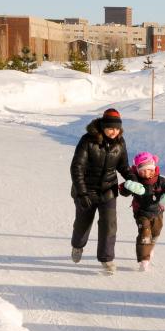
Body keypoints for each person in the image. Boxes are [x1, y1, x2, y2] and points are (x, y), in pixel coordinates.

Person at [69, 108, 132, 274]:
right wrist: (81, 193)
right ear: (103, 127)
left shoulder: (120, 141)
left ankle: (106, 258)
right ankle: (77, 246)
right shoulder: (88, 140)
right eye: (110, 128)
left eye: (117, 128)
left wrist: (132, 181)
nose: (114, 131)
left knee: (109, 224)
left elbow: (123, 166)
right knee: (83, 224)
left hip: (108, 190)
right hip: (86, 190)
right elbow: (77, 167)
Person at [119, 152, 165, 272]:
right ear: (138, 170)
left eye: (149, 170)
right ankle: (144, 259)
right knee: (145, 234)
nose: (146, 173)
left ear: (154, 168)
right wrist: (128, 185)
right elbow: (123, 190)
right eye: (142, 170)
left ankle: (150, 247)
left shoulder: (161, 181)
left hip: (157, 211)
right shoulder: (136, 180)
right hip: (141, 212)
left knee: (155, 232)